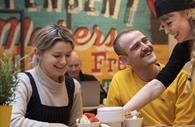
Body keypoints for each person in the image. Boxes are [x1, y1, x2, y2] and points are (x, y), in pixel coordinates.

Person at [106, 28, 195, 126]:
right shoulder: (119, 80)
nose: (145, 47)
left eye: (145, 40)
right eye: (136, 46)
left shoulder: (181, 78)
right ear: (124, 60)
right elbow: (111, 123)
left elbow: (184, 124)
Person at [123, 0, 195, 111]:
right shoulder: (183, 48)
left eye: (169, 23)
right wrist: (122, 112)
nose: (166, 31)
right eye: (163, 26)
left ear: (188, 13)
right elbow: (157, 85)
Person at [11, 24, 83, 127]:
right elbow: (12, 121)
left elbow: (75, 124)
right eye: (57, 55)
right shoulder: (22, 81)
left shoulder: (74, 86)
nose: (63, 62)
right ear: (38, 53)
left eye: (68, 55)